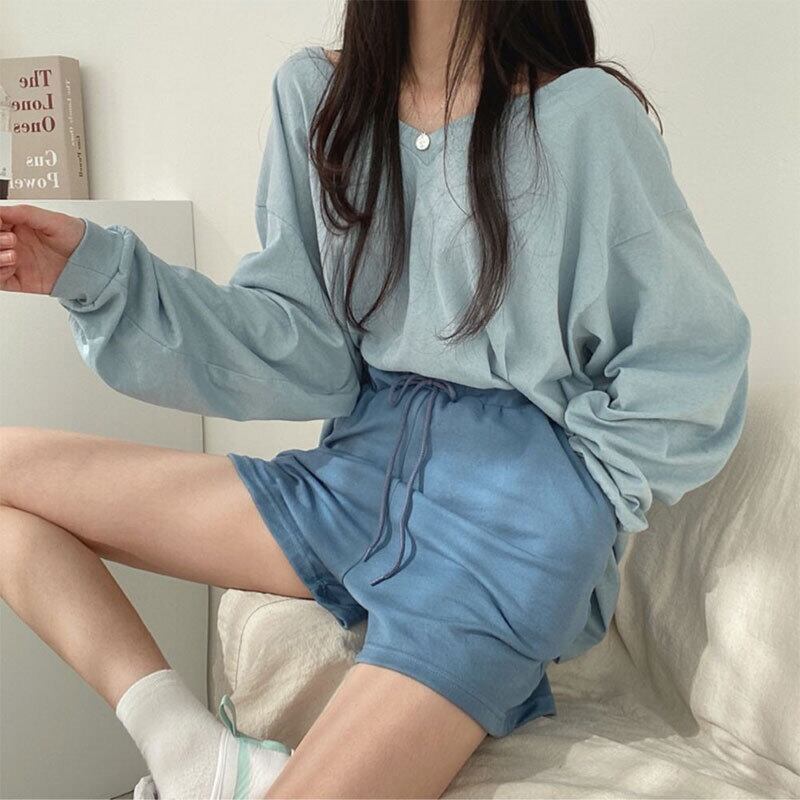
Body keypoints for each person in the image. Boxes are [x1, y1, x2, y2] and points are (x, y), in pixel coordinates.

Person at [0, 1, 751, 798]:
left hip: (514, 519)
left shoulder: (582, 119)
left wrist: (572, 502)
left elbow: (689, 364)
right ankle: (197, 757)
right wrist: (96, 275)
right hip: (359, 473)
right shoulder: (319, 101)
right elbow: (301, 348)